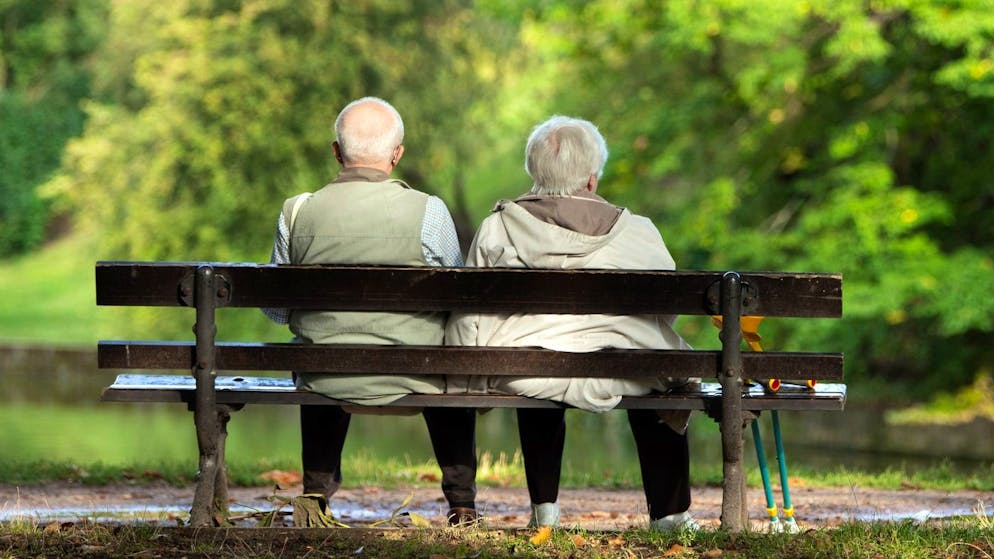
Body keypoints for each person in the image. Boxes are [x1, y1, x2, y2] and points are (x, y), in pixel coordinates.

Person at [445, 116, 698, 532]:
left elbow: (470, 310)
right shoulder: (638, 231)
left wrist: (465, 371)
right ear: (592, 179)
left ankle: (544, 511)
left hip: (523, 369)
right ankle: (670, 516)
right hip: (623, 369)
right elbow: (664, 311)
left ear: (534, 173)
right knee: (657, 371)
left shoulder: (497, 227)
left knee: (536, 359)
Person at [263, 96, 478, 526]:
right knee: (450, 357)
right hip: (416, 371)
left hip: (325, 374)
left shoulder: (296, 212)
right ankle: (462, 504)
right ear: (397, 155)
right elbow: (455, 301)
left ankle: (315, 498)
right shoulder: (429, 211)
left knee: (320, 351)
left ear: (336, 152)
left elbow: (278, 310)